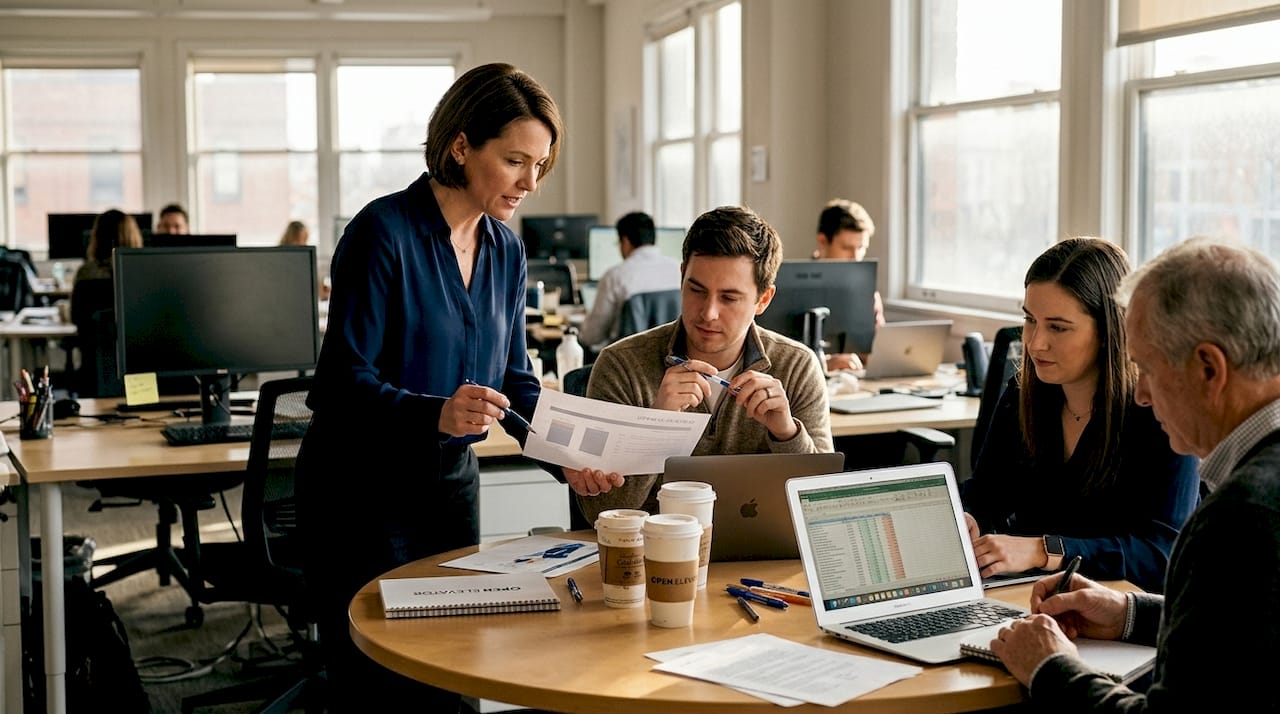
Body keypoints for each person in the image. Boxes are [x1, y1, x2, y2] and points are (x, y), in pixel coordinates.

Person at [294, 62, 562, 713]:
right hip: (364, 489)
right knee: (383, 688)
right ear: (461, 146)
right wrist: (435, 413)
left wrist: (571, 457)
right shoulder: (382, 233)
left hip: (449, 486)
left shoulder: (505, 249)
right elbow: (340, 385)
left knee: (457, 673)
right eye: (514, 161)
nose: (530, 182)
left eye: (541, 165)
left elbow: (515, 379)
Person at [986, 236, 1280, 711]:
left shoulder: (1246, 516)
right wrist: (1129, 614)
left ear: (1208, 367)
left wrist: (1050, 667)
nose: (1140, 394)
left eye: (1147, 368)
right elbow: (1238, 629)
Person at [567, 205, 834, 523]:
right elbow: (602, 513)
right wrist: (655, 428)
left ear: (763, 299)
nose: (708, 313)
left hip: (766, 563)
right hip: (653, 562)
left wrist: (786, 433)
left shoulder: (796, 365)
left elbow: (821, 509)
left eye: (729, 298)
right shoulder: (621, 364)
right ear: (681, 277)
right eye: (697, 290)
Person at [961, 238, 1199, 593]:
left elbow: (1162, 553)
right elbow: (986, 494)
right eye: (1029, 320)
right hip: (1030, 597)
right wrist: (965, 518)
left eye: (1058, 327)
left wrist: (1046, 551)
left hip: (1123, 612)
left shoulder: (1159, 410)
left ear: (1108, 330)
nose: (1035, 342)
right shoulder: (1023, 393)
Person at [578, 211, 680, 348]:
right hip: (675, 361)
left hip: (627, 364)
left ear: (625, 241)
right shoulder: (679, 270)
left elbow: (592, 336)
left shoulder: (615, 276)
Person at [70, 210, 144, 396]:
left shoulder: (86, 273)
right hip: (140, 377)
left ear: (97, 238)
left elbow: (76, 317)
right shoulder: (144, 274)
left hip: (94, 374)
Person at [812, 198, 885, 371]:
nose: (855, 257)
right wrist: (824, 364)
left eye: (861, 248)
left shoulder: (868, 293)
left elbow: (878, 347)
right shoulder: (791, 287)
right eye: (847, 248)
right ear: (823, 241)